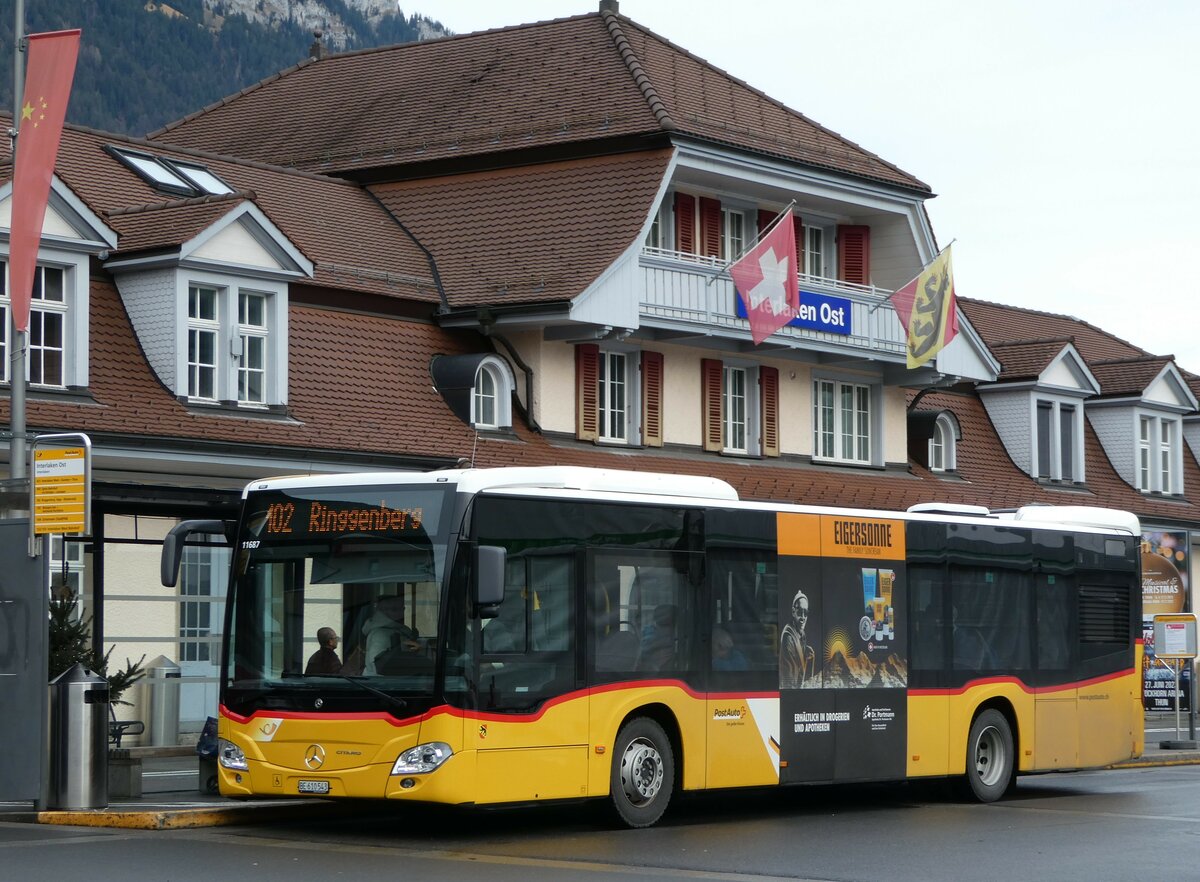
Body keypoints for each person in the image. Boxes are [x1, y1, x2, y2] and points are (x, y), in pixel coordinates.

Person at [362, 595, 421, 675]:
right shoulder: (381, 634)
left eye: (402, 608)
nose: (401, 612)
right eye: (394, 609)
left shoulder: (398, 630)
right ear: (383, 611)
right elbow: (379, 666)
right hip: (381, 684)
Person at [780, 588, 815, 688]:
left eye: (806, 613)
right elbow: (789, 679)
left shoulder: (801, 634)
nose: (803, 617)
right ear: (793, 611)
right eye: (800, 612)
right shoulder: (789, 637)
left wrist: (805, 653)